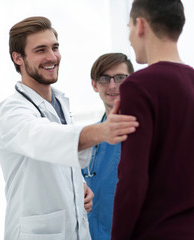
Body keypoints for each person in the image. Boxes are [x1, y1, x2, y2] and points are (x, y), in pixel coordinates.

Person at [0, 16, 139, 240]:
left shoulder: (60, 103)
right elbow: (44, 138)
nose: (52, 57)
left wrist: (77, 185)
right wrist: (103, 130)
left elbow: (58, 158)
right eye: (41, 50)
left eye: (55, 48)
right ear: (18, 58)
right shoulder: (11, 111)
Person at [111, 0, 194, 239]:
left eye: (128, 27)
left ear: (140, 25)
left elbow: (132, 180)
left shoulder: (138, 86)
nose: (129, 38)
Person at [81, 53, 134, 240]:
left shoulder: (147, 132)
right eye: (104, 78)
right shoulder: (88, 138)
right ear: (94, 85)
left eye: (120, 78)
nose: (112, 85)